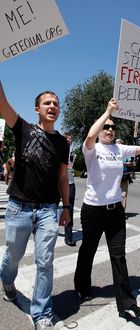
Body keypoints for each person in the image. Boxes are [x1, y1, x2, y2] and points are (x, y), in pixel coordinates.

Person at [73, 98, 140, 320]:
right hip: (93, 210)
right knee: (88, 251)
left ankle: (127, 303)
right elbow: (89, 136)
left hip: (115, 212)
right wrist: (107, 112)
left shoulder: (118, 149)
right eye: (107, 126)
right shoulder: (91, 149)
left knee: (118, 255)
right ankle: (82, 286)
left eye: (113, 127)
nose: (110, 129)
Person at [0, 81, 71, 329]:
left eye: (56, 104)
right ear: (37, 109)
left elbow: (63, 177)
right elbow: (3, 104)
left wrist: (67, 207)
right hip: (19, 207)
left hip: (48, 210)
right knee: (13, 256)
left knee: (45, 261)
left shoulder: (63, 143)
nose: (52, 106)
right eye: (47, 103)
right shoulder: (23, 129)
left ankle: (41, 314)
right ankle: (7, 281)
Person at [64, 133, 77, 246]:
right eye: (67, 138)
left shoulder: (73, 154)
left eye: (70, 138)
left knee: (70, 209)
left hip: (70, 183)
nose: (69, 140)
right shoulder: (57, 151)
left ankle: (69, 237)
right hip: (57, 183)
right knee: (51, 207)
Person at [115, 138, 134, 210]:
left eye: (119, 143)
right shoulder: (112, 153)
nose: (118, 145)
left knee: (123, 194)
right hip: (113, 176)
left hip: (123, 176)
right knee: (113, 194)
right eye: (116, 144)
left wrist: (122, 163)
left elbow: (130, 163)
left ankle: (122, 212)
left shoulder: (126, 154)